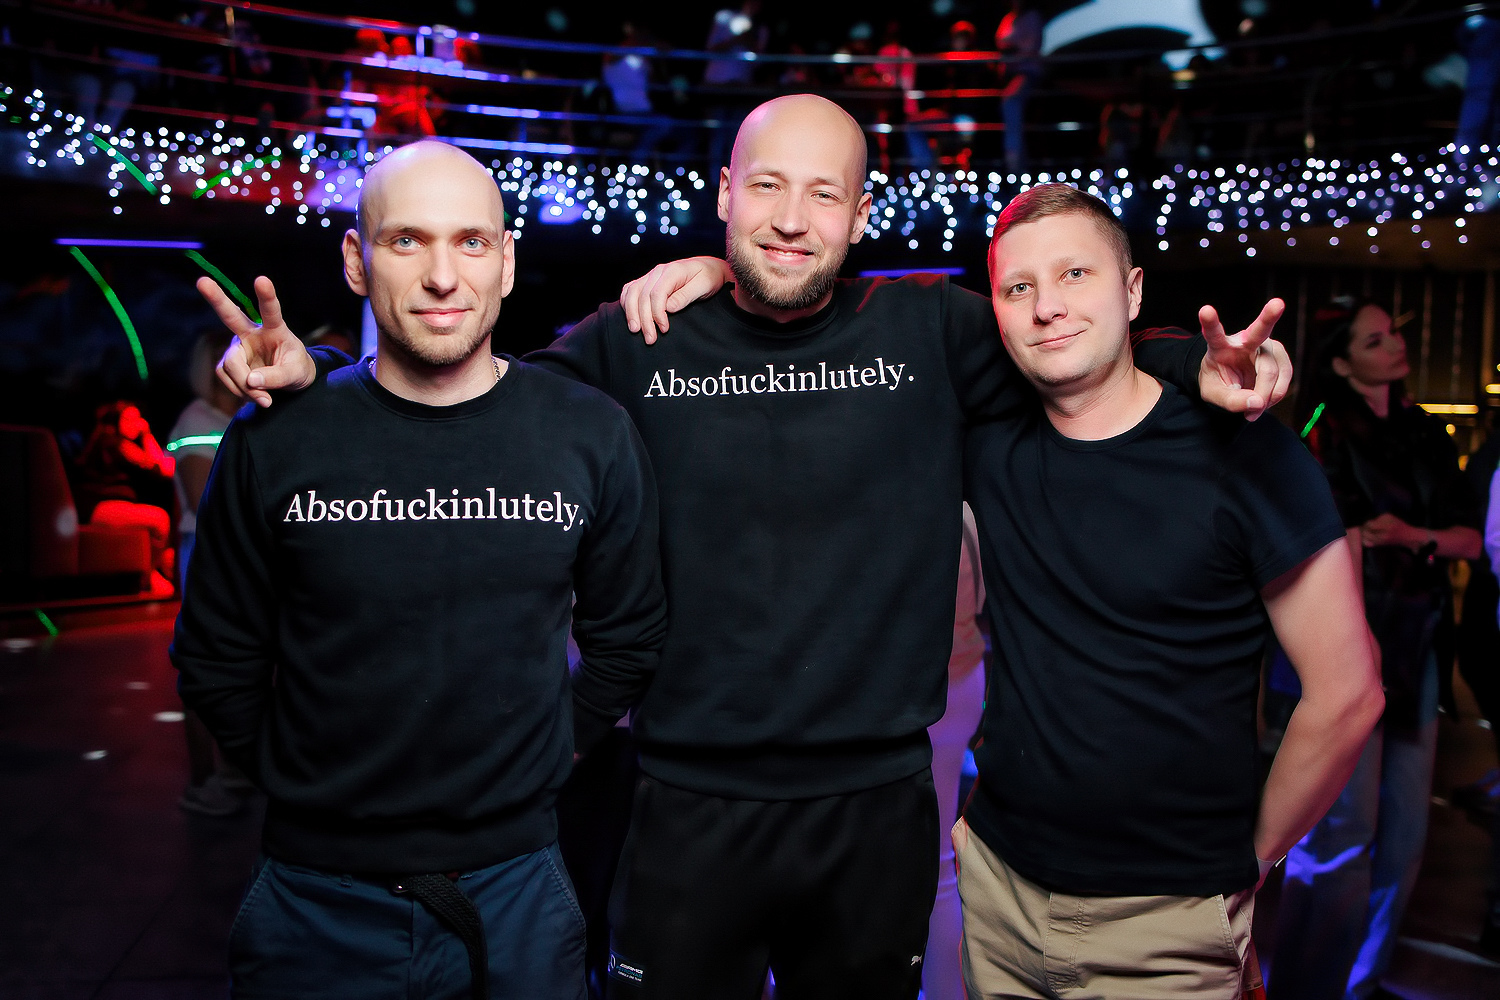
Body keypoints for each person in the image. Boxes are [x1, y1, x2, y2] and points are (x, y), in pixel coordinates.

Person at [210, 96, 1293, 999]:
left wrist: (1193, 370)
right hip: (683, 808)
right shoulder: (642, 335)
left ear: (860, 213)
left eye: (823, 193)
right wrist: (313, 382)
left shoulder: (929, 330)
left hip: (875, 812)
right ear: (725, 194)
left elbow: (1068, 343)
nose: (790, 217)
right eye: (766, 185)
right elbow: (470, 387)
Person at [175, 140, 667, 998]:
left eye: (470, 241)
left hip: (518, 889)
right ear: (355, 261)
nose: (443, 276)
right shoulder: (277, 437)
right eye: (406, 240)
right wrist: (312, 784)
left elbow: (628, 636)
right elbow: (216, 655)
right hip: (312, 895)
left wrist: (547, 753)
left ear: (506, 261)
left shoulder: (590, 433)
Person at [956, 183, 1383, 997]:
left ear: (1133, 290)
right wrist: (714, 275)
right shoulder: (989, 435)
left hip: (1167, 922)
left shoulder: (1246, 450)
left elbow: (1349, 692)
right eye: (1019, 287)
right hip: (999, 894)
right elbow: (850, 316)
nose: (1048, 306)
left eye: (1076, 274)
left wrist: (1246, 864)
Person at [1273, 300, 1483, 1000]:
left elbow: (1471, 540)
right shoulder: (1319, 431)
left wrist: (1411, 537)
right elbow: (1320, 545)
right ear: (1341, 362)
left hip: (1419, 646)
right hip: (1346, 648)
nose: (1395, 344)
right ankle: (1308, 983)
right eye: (1375, 339)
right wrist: (1401, 541)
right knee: (1341, 835)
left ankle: (1363, 981)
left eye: (1394, 332)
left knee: (1406, 834)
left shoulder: (1425, 431)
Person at [171, 329, 251, 818]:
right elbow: (206, 504)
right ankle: (202, 782)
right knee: (206, 666)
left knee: (246, 666)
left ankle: (235, 774)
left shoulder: (243, 414)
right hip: (208, 554)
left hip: (243, 555)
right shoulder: (198, 420)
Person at [923, 503, 986, 1000]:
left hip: (924, 695)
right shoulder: (966, 513)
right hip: (961, 683)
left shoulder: (909, 504)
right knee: (941, 865)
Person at [73, 399, 175, 591]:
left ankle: (153, 573)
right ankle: (148, 577)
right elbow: (161, 468)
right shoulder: (117, 444)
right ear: (115, 421)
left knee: (154, 520)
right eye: (128, 419)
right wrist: (146, 434)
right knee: (160, 520)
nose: (136, 424)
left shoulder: (108, 442)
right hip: (100, 509)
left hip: (98, 509)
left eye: (138, 418)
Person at [994, 0, 1044, 172]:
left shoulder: (1033, 17)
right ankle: (1015, 166)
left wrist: (1012, 49)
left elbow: (1030, 47)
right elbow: (1000, 43)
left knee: (1010, 103)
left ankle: (1014, 164)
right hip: (1006, 77)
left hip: (1027, 73)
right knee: (1008, 110)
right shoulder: (1008, 18)